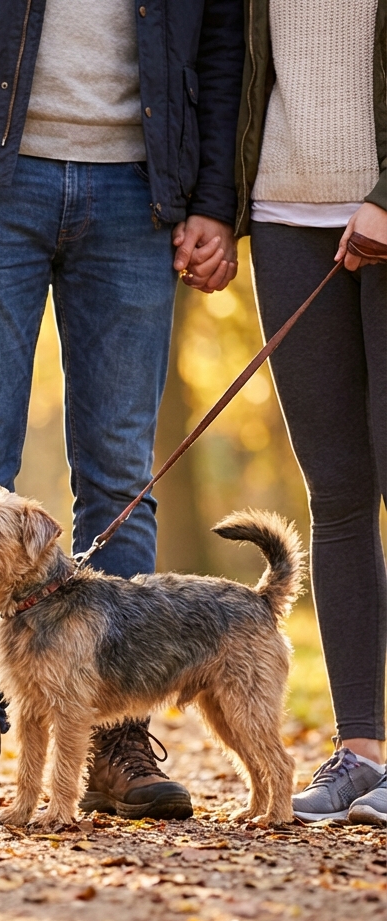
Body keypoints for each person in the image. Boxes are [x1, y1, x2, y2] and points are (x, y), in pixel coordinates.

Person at [0, 0, 245, 819]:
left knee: (122, 472)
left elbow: (221, 43)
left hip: (143, 186)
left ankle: (115, 735)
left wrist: (213, 197)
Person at [227, 0, 387, 824]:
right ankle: (362, 753)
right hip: (286, 218)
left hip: (382, 207)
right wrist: (219, 207)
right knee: (337, 492)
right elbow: (233, 67)